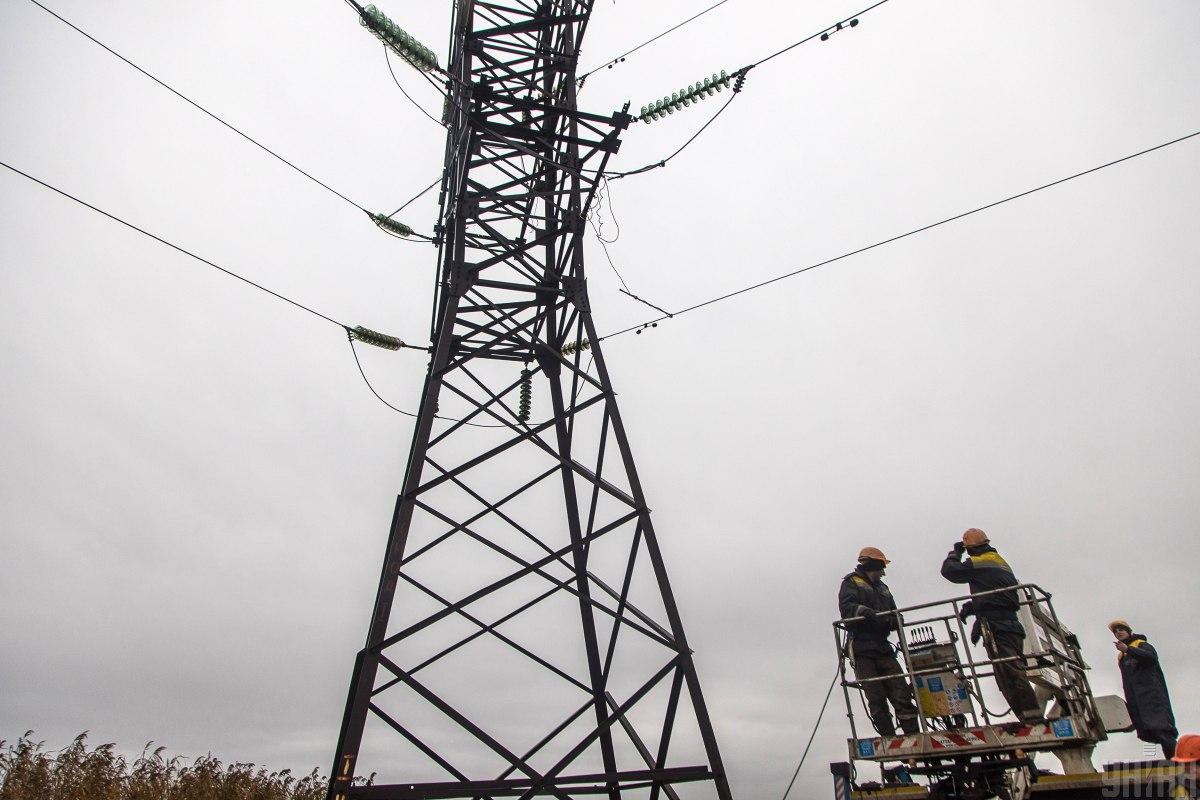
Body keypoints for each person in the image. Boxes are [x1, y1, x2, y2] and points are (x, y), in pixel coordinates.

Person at [940, 528, 1042, 723]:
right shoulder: (998, 561)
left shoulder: (979, 562)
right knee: (1009, 671)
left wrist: (955, 553)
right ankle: (1028, 715)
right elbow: (995, 593)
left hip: (999, 626)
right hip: (1009, 624)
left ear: (970, 548)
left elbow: (950, 571)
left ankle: (1030, 717)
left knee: (1008, 672)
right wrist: (974, 607)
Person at [839, 546, 919, 736]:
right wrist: (863, 612)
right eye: (881, 568)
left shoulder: (883, 589)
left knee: (901, 692)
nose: (883, 573)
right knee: (876, 696)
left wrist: (895, 620)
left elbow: (894, 612)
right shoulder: (851, 583)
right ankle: (889, 739)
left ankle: (913, 735)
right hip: (862, 648)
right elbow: (847, 608)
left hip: (883, 647)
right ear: (872, 565)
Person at [1109, 619, 1178, 760]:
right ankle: (1173, 761)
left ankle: (1182, 761)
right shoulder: (1122, 656)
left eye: (1121, 629)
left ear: (1128, 630)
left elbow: (1151, 658)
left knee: (1162, 729)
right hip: (1137, 700)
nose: (1118, 632)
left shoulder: (1141, 644)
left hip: (1152, 697)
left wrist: (1128, 649)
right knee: (1153, 733)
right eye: (1115, 632)